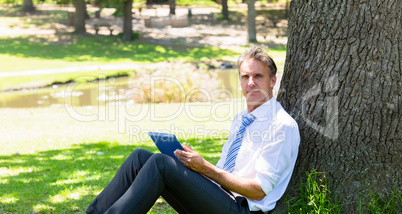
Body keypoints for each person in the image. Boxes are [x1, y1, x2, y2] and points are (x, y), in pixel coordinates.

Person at [86, 46, 300, 214]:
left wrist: (205, 168)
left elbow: (259, 190)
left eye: (258, 76)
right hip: (219, 197)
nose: (250, 83)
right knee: (140, 157)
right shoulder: (242, 119)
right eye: (245, 77)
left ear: (272, 81)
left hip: (240, 209)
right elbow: (227, 170)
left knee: (161, 164)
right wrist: (194, 165)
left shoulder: (281, 125)